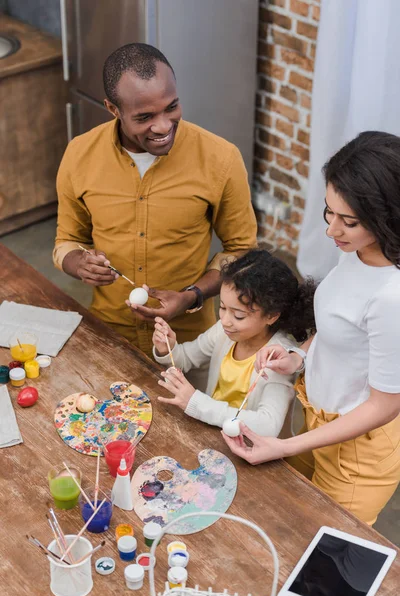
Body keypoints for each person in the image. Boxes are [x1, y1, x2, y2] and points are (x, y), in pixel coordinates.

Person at [223, 132, 400, 526]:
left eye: (348, 221)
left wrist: (284, 444)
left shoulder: (392, 297)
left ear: (387, 217)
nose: (331, 230)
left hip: (355, 454)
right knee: (289, 519)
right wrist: (298, 356)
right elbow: (340, 323)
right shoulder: (358, 251)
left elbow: (385, 405)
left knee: (325, 555)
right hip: (316, 419)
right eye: (328, 212)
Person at [53, 43, 257, 358]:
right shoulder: (79, 155)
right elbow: (67, 241)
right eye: (145, 116)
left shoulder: (221, 158)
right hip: (107, 335)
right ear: (113, 109)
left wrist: (191, 296)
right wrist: (77, 263)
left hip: (190, 344)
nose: (163, 125)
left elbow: (241, 250)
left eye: (172, 107)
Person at [152, 248, 315, 436]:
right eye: (222, 307)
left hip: (253, 451)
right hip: (213, 433)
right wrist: (167, 349)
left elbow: (268, 426)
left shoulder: (278, 358)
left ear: (271, 316)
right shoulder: (224, 332)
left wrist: (197, 403)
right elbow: (185, 358)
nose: (226, 320)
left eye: (238, 315)